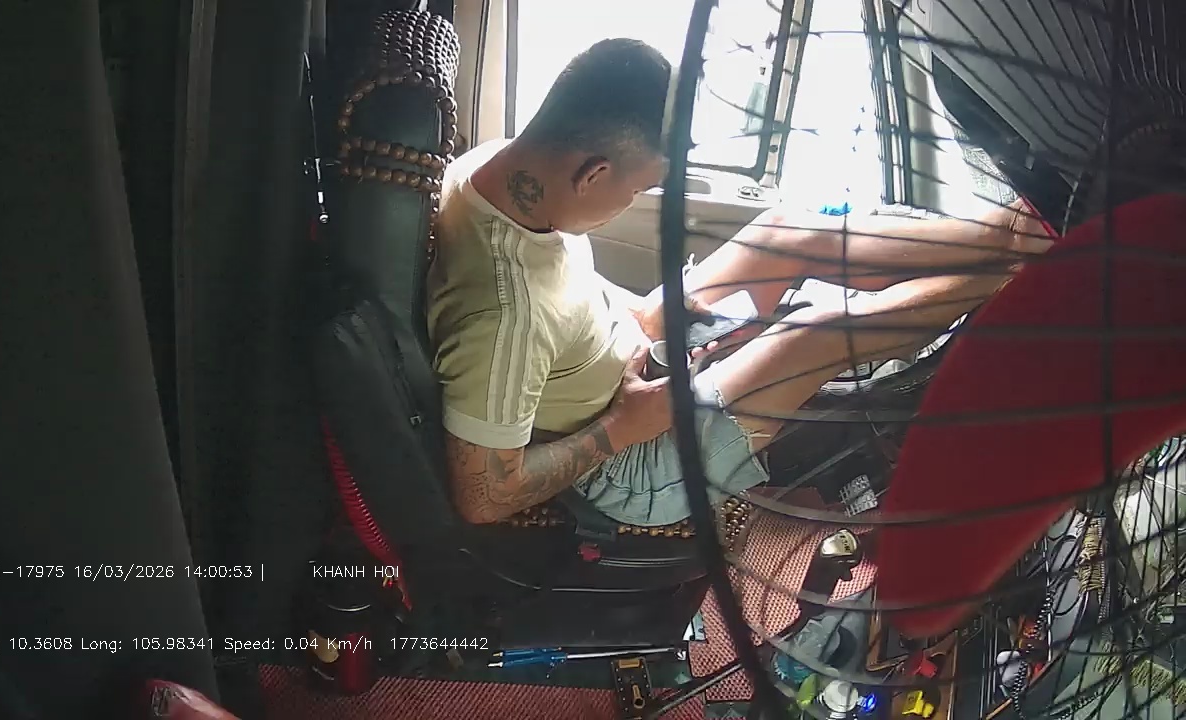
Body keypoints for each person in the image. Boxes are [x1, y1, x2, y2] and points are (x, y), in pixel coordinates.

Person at [427, 38, 1050, 526]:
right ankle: (1023, 275)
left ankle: (1015, 231)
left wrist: (642, 322)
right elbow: (485, 497)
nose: (634, 201)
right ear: (592, 174)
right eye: (638, 189)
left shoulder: (494, 167)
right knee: (820, 330)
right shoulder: (502, 319)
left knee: (786, 230)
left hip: (622, 345)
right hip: (628, 461)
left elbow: (556, 298)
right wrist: (620, 429)